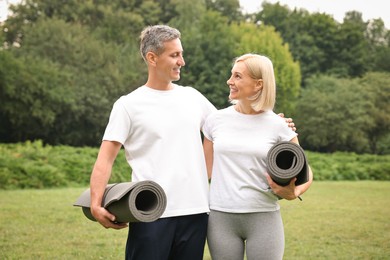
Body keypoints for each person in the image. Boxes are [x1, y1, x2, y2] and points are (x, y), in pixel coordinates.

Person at [89, 25, 296, 260]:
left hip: (196, 214)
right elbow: (105, 159)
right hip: (150, 212)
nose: (182, 61)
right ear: (152, 57)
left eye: (181, 54)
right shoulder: (128, 105)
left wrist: (270, 122)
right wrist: (96, 203)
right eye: (175, 55)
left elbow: (232, 125)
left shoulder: (192, 97)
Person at [202, 53, 313, 260]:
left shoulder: (278, 125)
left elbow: (306, 171)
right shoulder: (215, 120)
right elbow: (204, 171)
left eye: (237, 76)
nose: (229, 81)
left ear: (258, 84)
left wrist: (293, 192)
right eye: (231, 75)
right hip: (220, 217)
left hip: (263, 217)